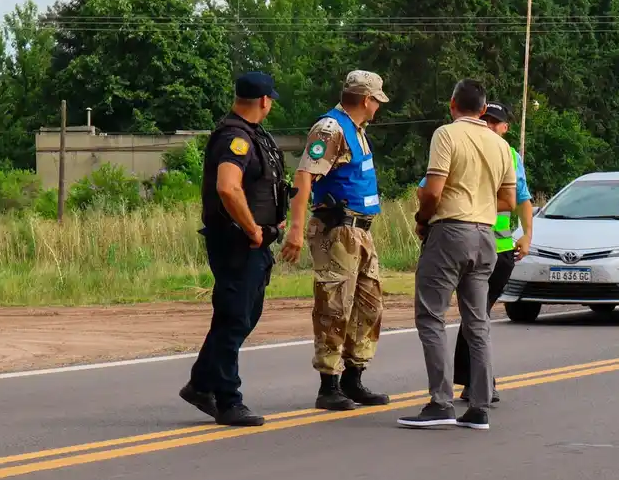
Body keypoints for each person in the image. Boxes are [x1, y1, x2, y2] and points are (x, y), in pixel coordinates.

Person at [399, 79, 517, 431]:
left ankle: (440, 402)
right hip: (486, 236)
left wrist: (423, 219)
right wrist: (479, 204)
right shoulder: (500, 145)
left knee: (432, 316)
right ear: (483, 110)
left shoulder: (446, 135)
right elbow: (509, 201)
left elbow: (432, 191)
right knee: (477, 321)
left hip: (451, 232)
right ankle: (479, 406)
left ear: (452, 105)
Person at [181, 71, 288, 427]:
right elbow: (228, 188)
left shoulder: (252, 135)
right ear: (264, 101)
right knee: (233, 318)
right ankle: (228, 399)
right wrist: (253, 229)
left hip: (253, 243)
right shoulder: (235, 138)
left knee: (245, 315)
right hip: (237, 242)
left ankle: (200, 383)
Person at [280, 70, 392, 411]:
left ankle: (353, 378)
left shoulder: (357, 130)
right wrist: (296, 230)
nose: (378, 107)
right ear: (365, 99)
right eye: (377, 100)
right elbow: (304, 175)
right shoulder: (330, 129)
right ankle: (328, 384)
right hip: (338, 231)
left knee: (368, 305)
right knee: (334, 307)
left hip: (361, 231)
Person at [453, 100, 531, 405]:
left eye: (494, 122)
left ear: (505, 128)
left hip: (499, 250)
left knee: (476, 314)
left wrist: (526, 237)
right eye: (485, 119)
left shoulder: (510, 155)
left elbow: (522, 198)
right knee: (476, 314)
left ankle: (477, 381)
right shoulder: (463, 147)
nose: (488, 125)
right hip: (467, 244)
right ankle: (478, 381)